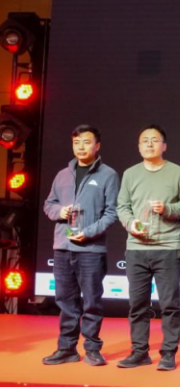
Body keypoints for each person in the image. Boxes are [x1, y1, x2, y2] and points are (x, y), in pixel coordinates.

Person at [115, 125, 180, 371]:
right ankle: (139, 352)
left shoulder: (178, 172)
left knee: (169, 304)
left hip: (168, 247)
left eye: (154, 140)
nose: (149, 144)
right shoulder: (130, 174)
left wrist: (168, 209)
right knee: (137, 304)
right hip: (136, 248)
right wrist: (130, 224)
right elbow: (122, 206)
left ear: (164, 145)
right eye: (144, 141)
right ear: (139, 146)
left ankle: (168, 353)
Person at [42, 125, 119, 367]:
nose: (81, 147)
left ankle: (93, 349)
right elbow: (49, 204)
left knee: (92, 302)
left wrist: (88, 233)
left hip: (91, 249)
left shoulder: (108, 175)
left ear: (97, 145)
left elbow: (112, 212)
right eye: (76, 143)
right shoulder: (62, 175)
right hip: (63, 247)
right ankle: (66, 348)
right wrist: (60, 212)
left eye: (86, 142)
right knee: (65, 301)